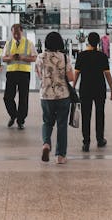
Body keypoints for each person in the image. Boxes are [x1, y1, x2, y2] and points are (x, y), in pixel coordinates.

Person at [35, 31, 74, 164]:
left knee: (47, 122)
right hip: (63, 95)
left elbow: (39, 75)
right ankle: (60, 156)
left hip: (46, 95)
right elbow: (71, 77)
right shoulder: (64, 57)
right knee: (62, 125)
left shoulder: (40, 57)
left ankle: (46, 144)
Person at [74, 32, 112, 152]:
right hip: (99, 88)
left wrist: (73, 87)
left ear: (88, 41)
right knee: (100, 113)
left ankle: (86, 142)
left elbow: (76, 73)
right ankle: (100, 139)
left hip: (85, 88)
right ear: (98, 42)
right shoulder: (102, 56)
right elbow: (107, 74)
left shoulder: (81, 56)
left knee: (86, 115)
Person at [2, 24, 36, 130]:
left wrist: (23, 58)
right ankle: (13, 115)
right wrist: (10, 57)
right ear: (11, 32)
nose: (16, 34)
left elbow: (34, 58)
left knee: (23, 98)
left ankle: (21, 120)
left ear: (22, 31)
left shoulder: (29, 43)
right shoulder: (8, 44)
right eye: (14, 32)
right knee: (7, 97)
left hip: (24, 73)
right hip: (11, 73)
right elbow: (3, 58)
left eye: (18, 32)